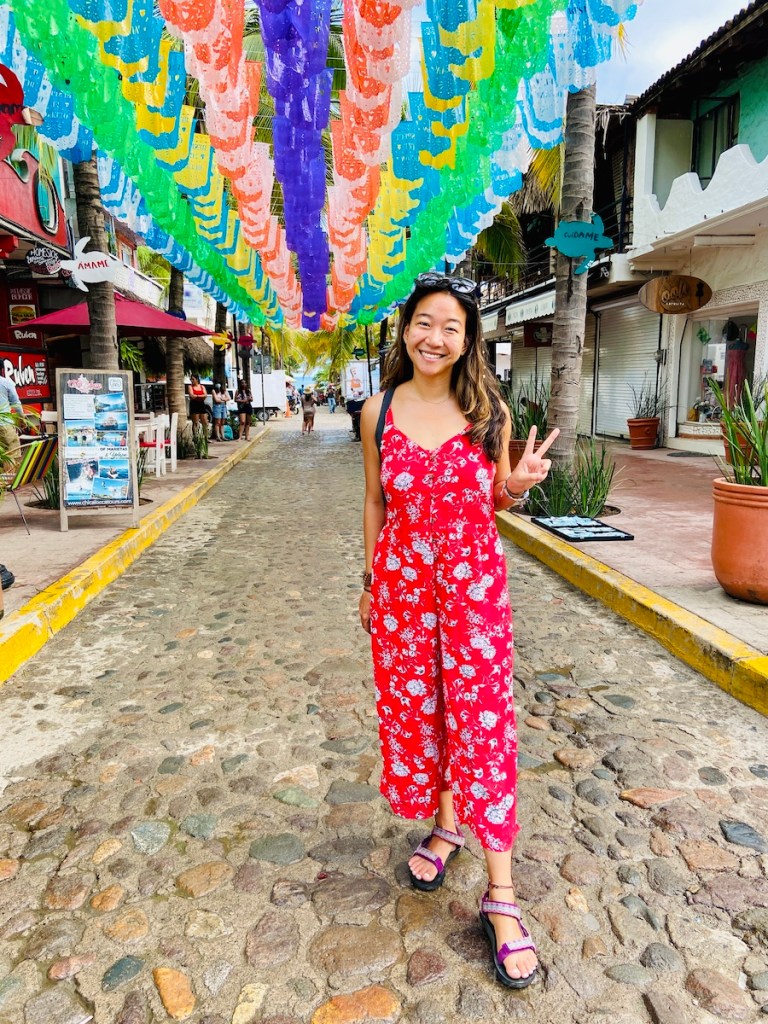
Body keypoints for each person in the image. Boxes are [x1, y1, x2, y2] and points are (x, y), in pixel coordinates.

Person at [358, 273, 559, 990]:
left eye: (452, 326)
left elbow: (495, 500)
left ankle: (501, 895)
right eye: (425, 322)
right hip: (405, 593)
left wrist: (518, 484)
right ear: (406, 328)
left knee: (481, 724)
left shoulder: (486, 409)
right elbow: (376, 502)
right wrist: (370, 584)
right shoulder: (377, 410)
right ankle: (446, 826)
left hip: (473, 595)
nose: (435, 337)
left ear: (468, 340)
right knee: (426, 714)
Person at [0, 373, 23, 467]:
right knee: (11, 452)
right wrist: (22, 419)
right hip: (4, 424)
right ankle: (9, 480)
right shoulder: (6, 382)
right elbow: (16, 403)